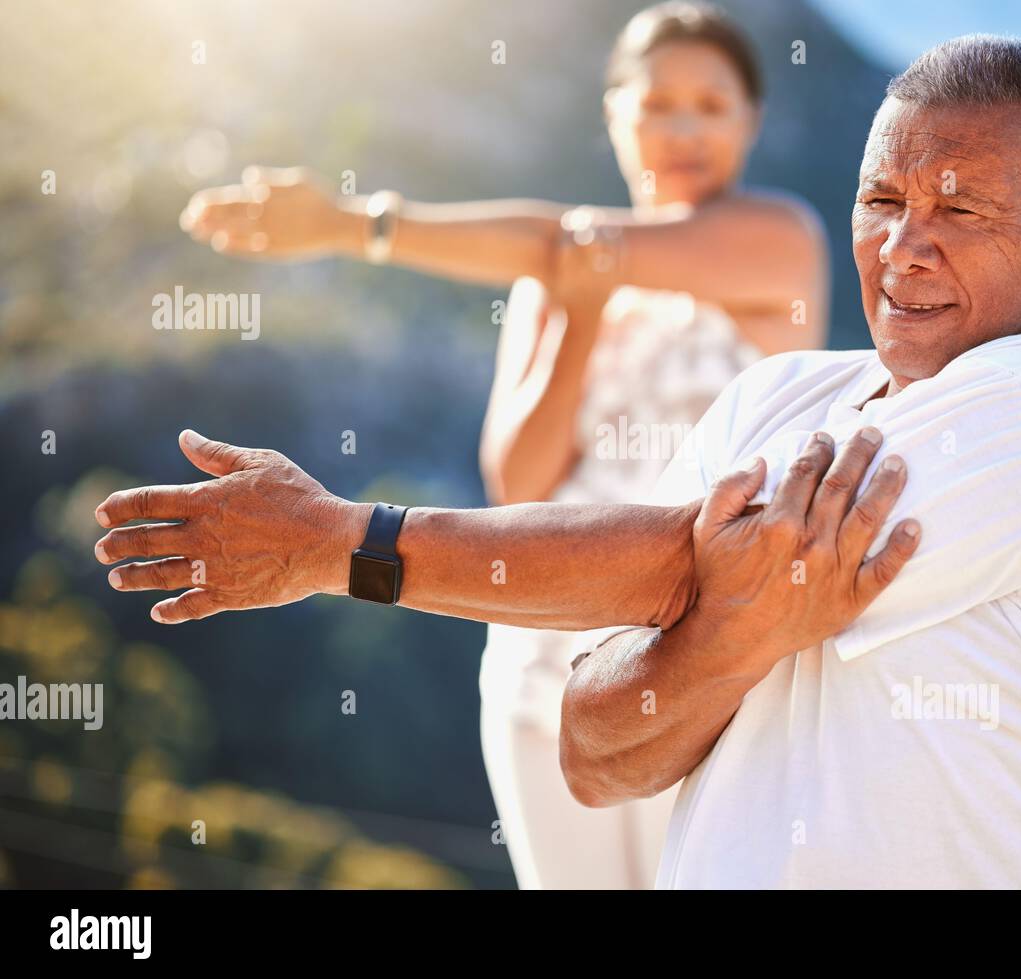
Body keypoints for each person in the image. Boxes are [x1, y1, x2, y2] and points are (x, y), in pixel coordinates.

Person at [99, 33, 1021, 890]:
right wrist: (733, 628)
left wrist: (347, 543)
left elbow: (680, 558)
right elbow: (593, 748)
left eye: (959, 207)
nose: (904, 245)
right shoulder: (774, 397)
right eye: (880, 199)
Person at [177, 1, 829, 888]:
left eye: (712, 106)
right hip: (541, 661)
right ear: (613, 116)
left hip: (715, 661)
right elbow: (518, 476)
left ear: (751, 123)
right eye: (656, 103)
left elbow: (567, 240)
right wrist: (580, 315)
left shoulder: (779, 243)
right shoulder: (545, 286)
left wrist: (350, 223)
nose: (683, 128)